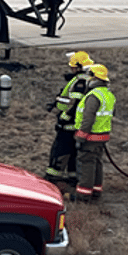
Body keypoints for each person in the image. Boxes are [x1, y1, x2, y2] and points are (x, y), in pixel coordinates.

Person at [45, 51, 93, 184]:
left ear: (79, 67)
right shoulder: (85, 79)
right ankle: (73, 177)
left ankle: (53, 177)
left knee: (61, 150)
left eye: (73, 67)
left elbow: (75, 104)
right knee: (73, 153)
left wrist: (63, 119)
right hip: (75, 124)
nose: (71, 69)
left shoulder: (81, 82)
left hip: (69, 124)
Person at [72, 64, 116, 202]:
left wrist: (80, 136)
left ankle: (83, 195)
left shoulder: (93, 96)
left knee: (87, 163)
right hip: (102, 136)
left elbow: (88, 118)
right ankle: (96, 191)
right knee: (97, 163)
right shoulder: (108, 95)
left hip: (90, 136)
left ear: (94, 78)